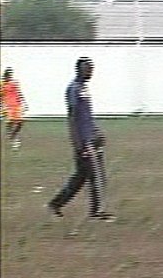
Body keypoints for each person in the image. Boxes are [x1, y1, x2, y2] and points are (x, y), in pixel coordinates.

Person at [48, 58, 115, 222]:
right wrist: (79, 143)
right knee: (96, 176)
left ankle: (56, 204)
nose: (90, 71)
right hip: (85, 143)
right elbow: (73, 116)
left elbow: (86, 116)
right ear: (78, 69)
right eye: (87, 68)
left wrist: (97, 131)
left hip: (91, 139)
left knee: (80, 177)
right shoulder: (74, 88)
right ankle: (96, 212)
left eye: (92, 68)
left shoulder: (84, 88)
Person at [1, 68, 27, 151]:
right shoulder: (2, 84)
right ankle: (14, 140)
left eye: (12, 74)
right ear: (6, 75)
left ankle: (12, 135)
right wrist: (1, 106)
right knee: (11, 121)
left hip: (17, 105)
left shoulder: (14, 83)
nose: (11, 76)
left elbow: (19, 93)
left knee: (20, 122)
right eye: (9, 74)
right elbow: (0, 96)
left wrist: (24, 103)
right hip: (8, 105)